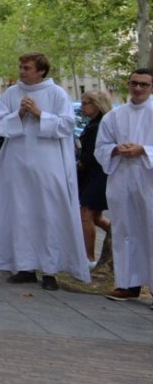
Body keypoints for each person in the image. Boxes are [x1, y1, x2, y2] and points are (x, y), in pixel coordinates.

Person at [0, 53, 90, 290]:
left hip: (47, 163)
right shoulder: (11, 94)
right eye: (20, 67)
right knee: (21, 213)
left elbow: (67, 125)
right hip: (17, 163)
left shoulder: (57, 94)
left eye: (27, 68)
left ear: (41, 71)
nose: (22, 71)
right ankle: (25, 266)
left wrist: (39, 114)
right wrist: (19, 113)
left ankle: (50, 270)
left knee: (47, 214)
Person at [96, 69, 153, 303]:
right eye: (134, 83)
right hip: (121, 177)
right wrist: (116, 149)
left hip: (148, 179)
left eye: (143, 85)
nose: (138, 88)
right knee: (124, 230)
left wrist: (144, 150)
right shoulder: (115, 116)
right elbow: (101, 146)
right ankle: (128, 284)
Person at [77, 90, 113, 268]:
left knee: (86, 214)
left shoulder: (97, 126)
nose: (82, 107)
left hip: (96, 175)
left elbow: (92, 154)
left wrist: (80, 163)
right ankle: (117, 235)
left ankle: (88, 257)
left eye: (85, 103)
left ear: (97, 105)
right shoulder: (95, 124)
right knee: (95, 216)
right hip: (95, 175)